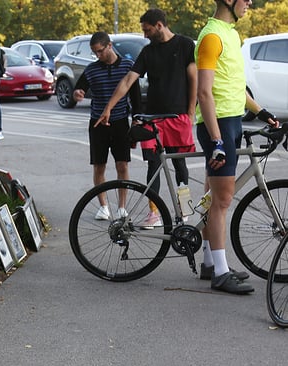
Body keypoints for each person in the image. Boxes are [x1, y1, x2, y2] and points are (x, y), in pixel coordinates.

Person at [194, 0, 279, 294]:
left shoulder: (230, 33)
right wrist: (217, 139)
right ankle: (220, 272)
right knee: (222, 201)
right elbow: (204, 92)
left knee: (212, 196)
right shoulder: (211, 37)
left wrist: (261, 112)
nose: (250, 3)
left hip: (231, 122)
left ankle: (208, 262)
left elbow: (234, 86)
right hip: (216, 125)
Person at [96, 8, 196, 230]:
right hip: (153, 117)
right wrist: (108, 108)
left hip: (178, 114)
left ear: (159, 25)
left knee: (180, 164)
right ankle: (154, 213)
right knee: (153, 165)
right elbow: (127, 81)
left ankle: (185, 210)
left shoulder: (185, 45)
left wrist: (190, 112)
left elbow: (193, 78)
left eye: (147, 30)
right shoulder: (148, 52)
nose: (145, 35)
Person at [74, 31, 141, 220]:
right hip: (97, 123)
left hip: (120, 122)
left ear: (109, 46)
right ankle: (103, 206)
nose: (98, 56)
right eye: (95, 53)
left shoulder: (128, 66)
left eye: (100, 51)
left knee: (122, 164)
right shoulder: (91, 69)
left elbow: (135, 98)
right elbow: (79, 89)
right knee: (99, 166)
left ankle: (122, 207)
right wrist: (77, 93)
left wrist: (136, 120)